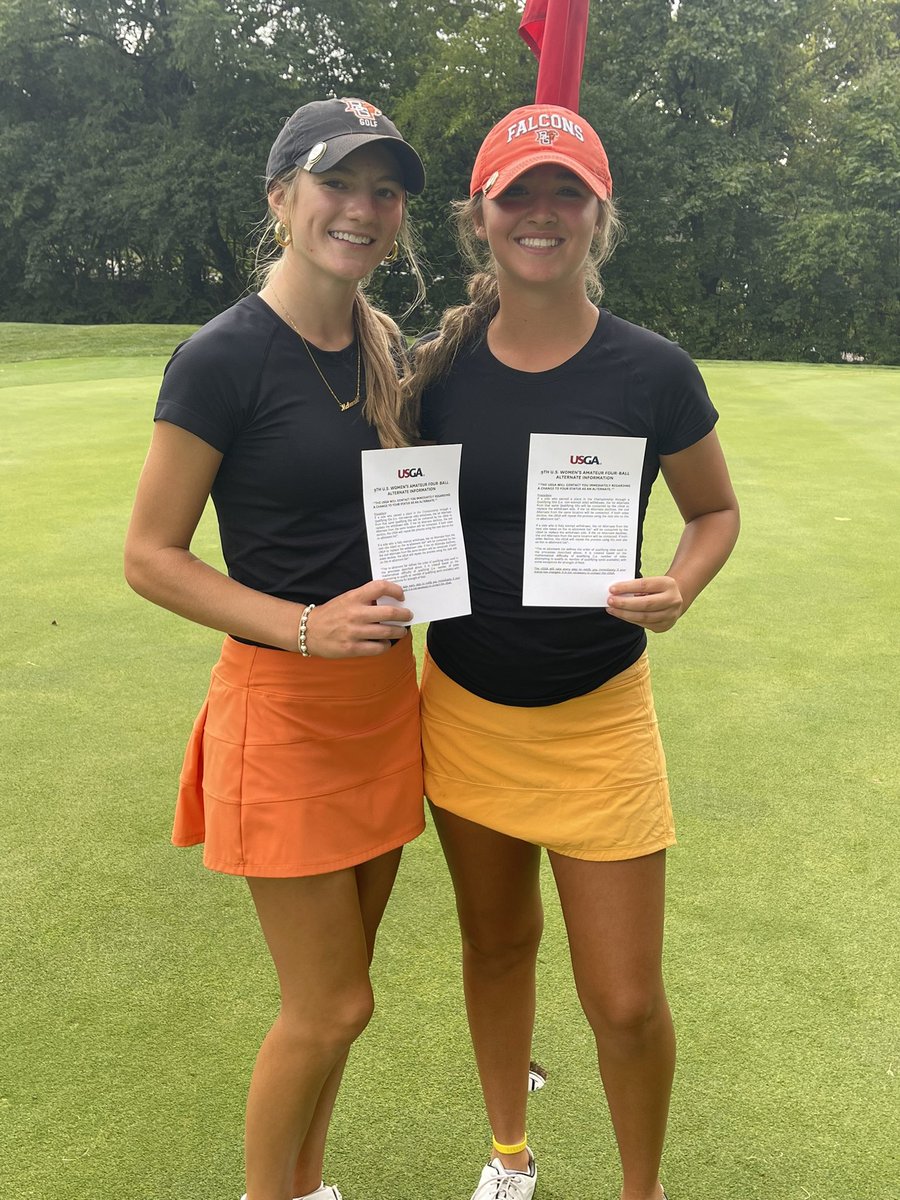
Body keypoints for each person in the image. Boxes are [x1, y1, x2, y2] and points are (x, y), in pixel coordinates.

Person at [409, 104, 740, 1200]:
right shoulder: (434, 371)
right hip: (463, 706)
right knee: (496, 949)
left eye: (566, 194)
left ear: (599, 215)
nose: (541, 215)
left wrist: (678, 585)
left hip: (599, 715)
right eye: (519, 195)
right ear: (482, 218)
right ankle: (511, 1156)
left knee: (626, 1000)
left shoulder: (652, 371)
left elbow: (714, 513)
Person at [124, 98, 427, 1200]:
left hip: (384, 707)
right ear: (282, 198)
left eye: (384, 190)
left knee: (348, 1002)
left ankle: (306, 1187)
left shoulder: (386, 346)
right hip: (285, 705)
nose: (363, 208)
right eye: (339, 183)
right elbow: (152, 556)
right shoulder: (221, 357)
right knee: (331, 1004)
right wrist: (304, 626)